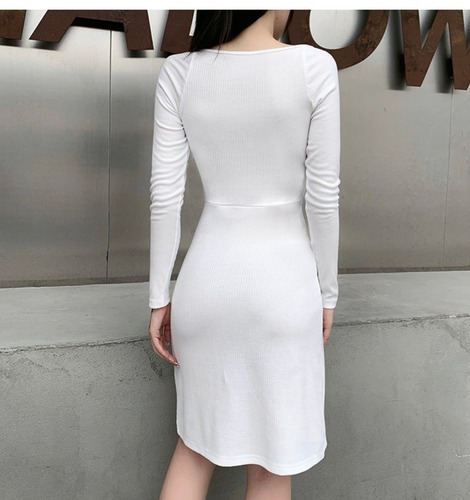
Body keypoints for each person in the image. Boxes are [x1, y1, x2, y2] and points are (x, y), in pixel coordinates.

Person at [148, 10, 340, 500]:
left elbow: (165, 199)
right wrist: (327, 294)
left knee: (195, 448)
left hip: (205, 285)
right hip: (285, 285)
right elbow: (323, 199)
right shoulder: (313, 67)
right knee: (272, 466)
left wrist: (158, 297)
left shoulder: (180, 72)